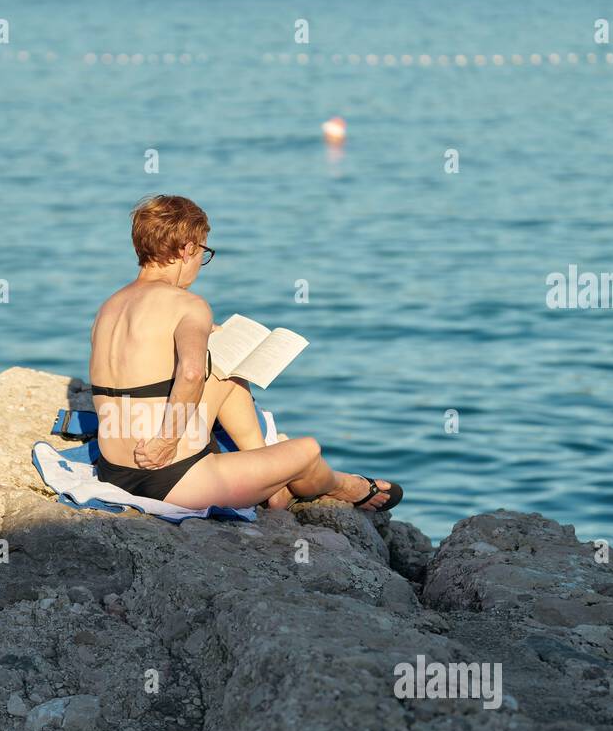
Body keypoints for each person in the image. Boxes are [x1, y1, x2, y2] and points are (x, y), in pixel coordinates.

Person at [88, 194, 403, 512]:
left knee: (225, 368)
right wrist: (165, 442)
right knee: (307, 451)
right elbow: (191, 373)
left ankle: (263, 465)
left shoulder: (110, 307)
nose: (200, 263)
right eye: (203, 252)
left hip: (114, 471)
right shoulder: (189, 305)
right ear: (187, 249)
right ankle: (344, 486)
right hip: (170, 478)